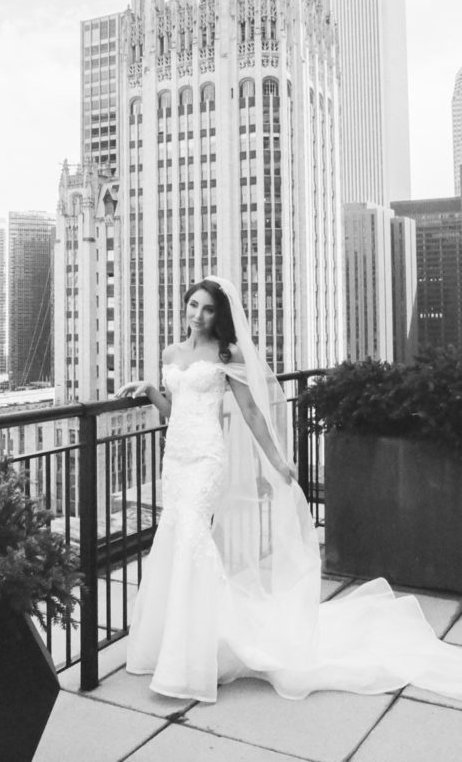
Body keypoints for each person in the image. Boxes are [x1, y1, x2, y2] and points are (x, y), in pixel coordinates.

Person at [115, 275, 462, 703]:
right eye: (193, 305)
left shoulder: (227, 353)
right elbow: (176, 411)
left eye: (207, 308)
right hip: (176, 460)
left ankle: (195, 654)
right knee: (172, 538)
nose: (198, 315)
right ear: (184, 307)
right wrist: (150, 391)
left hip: (206, 457)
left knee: (192, 539)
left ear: (218, 315)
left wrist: (277, 460)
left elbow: (251, 413)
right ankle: (174, 643)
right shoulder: (170, 353)